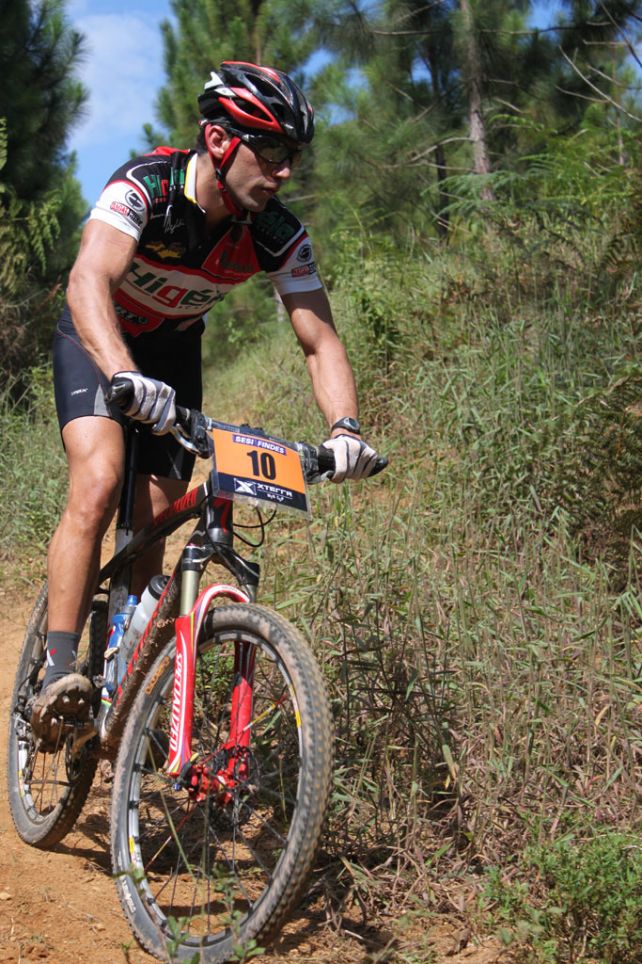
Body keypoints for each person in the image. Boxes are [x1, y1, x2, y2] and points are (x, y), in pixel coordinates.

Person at [31, 61, 381, 741]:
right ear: (220, 142)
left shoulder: (275, 232)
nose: (283, 172)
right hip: (96, 333)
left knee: (157, 512)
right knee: (100, 480)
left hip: (171, 354)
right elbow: (87, 279)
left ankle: (128, 667)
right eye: (272, 151)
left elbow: (319, 341)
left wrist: (344, 428)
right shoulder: (146, 188)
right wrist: (120, 375)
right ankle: (58, 670)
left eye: (293, 157)